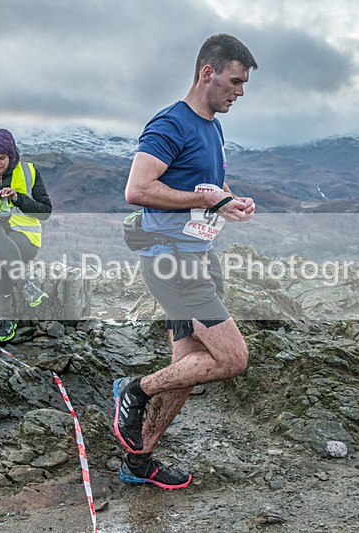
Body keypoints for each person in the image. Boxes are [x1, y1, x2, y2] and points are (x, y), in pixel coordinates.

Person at [115, 34, 258, 490]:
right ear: (207, 73)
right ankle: (133, 390)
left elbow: (202, 191)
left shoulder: (212, 125)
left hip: (197, 255)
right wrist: (210, 204)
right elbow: (137, 189)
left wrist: (228, 201)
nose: (240, 91)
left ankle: (138, 462)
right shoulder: (171, 123)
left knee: (188, 367)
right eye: (235, 81)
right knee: (233, 358)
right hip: (172, 263)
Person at [0, 128, 51, 345]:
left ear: (11, 156)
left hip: (22, 238)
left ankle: (5, 319)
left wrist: (18, 198)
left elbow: (45, 212)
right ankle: (23, 283)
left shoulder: (30, 172)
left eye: (2, 158)